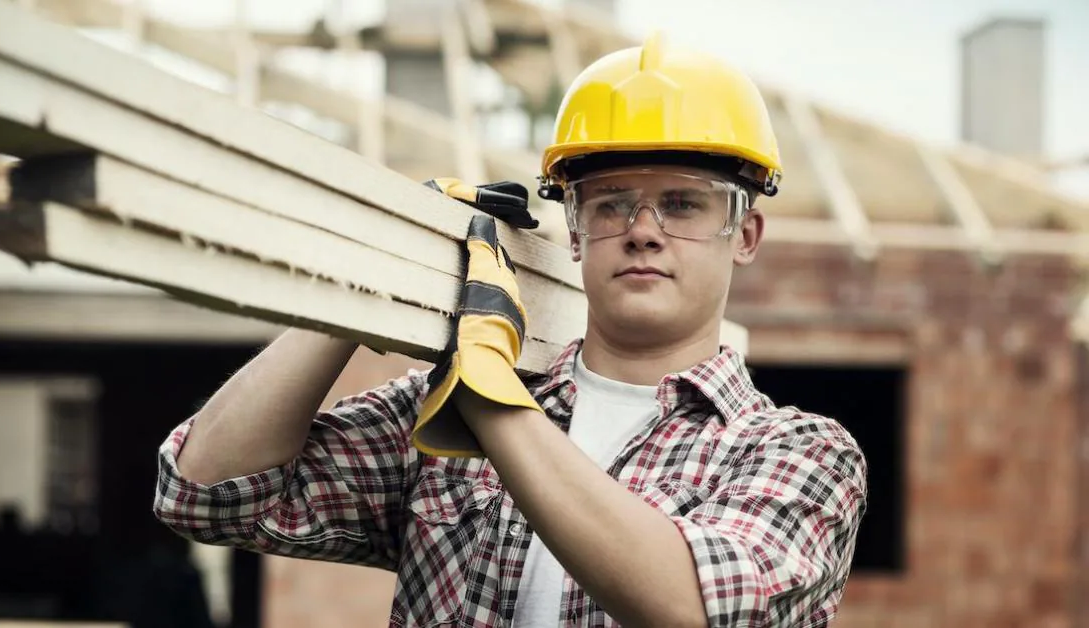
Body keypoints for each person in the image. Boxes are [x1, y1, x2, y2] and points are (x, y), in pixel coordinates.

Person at [153, 32, 867, 628]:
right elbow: (205, 491)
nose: (643, 231)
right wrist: (372, 285)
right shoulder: (440, 413)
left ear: (745, 233)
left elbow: (691, 606)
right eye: (611, 203)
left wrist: (490, 401)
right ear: (577, 232)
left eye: (683, 204)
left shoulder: (800, 454)